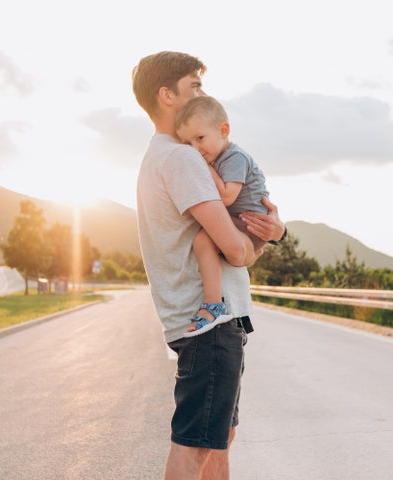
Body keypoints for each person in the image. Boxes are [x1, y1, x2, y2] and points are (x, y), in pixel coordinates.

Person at [132, 51, 286, 480]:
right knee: (195, 446)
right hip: (209, 326)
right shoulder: (181, 158)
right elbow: (236, 251)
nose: (204, 93)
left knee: (218, 441)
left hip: (208, 324)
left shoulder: (158, 155)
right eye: (194, 86)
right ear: (167, 96)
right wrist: (272, 236)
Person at [175, 96, 270, 337]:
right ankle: (214, 301)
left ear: (224, 130)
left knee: (203, 240)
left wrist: (205, 169)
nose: (195, 149)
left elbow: (227, 196)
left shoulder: (234, 157)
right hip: (240, 222)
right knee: (203, 240)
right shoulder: (219, 156)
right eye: (189, 144)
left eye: (200, 138)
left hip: (250, 224)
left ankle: (213, 305)